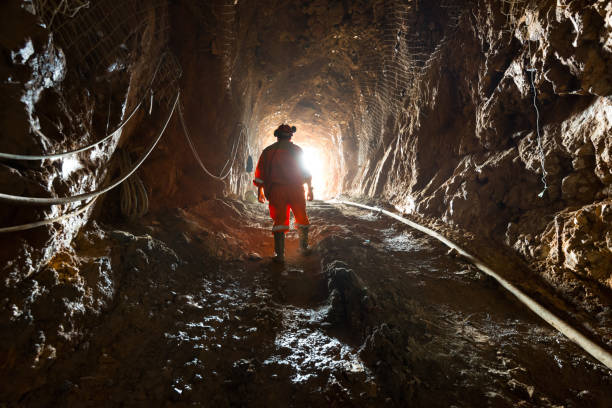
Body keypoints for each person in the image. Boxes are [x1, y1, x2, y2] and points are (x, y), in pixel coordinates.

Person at [253, 124, 314, 262]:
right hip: (296, 189)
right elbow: (306, 172)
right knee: (301, 217)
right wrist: (309, 189)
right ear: (291, 136)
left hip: (277, 190)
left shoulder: (268, 151)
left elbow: (260, 174)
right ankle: (304, 248)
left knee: (279, 220)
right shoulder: (297, 151)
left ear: (277, 136)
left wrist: (260, 191)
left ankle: (279, 255)